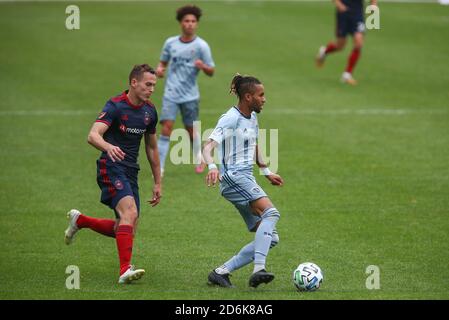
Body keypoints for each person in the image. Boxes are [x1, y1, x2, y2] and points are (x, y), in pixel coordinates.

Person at [64, 64, 162, 284]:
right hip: (110, 166)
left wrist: (158, 181)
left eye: (154, 85)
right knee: (130, 213)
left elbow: (152, 148)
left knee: (126, 227)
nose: (151, 89)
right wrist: (108, 147)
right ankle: (125, 270)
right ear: (134, 83)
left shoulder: (149, 111)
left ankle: (81, 221)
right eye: (148, 84)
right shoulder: (116, 106)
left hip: (131, 171)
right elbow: (93, 135)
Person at [203, 74, 284, 288]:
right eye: (261, 95)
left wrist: (266, 171)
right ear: (248, 97)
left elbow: (253, 144)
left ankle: (221, 272)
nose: (264, 99)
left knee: (270, 237)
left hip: (244, 177)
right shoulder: (230, 118)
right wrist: (212, 166)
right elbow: (208, 146)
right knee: (272, 213)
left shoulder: (252, 117)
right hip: (234, 178)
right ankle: (259, 269)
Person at [156, 4, 215, 176]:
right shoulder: (170, 43)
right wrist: (159, 70)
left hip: (190, 95)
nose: (190, 24)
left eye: (193, 21)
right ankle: (159, 167)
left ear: (197, 24)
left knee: (191, 129)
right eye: (186, 21)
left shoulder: (202, 46)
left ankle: (199, 157)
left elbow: (211, 71)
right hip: (171, 93)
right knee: (166, 127)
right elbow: (162, 63)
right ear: (181, 23)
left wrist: (202, 66)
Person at [316, 0, 378, 85]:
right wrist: (339, 4)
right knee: (340, 46)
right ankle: (324, 51)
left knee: (359, 43)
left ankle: (347, 75)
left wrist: (374, 5)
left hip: (357, 14)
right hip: (343, 13)